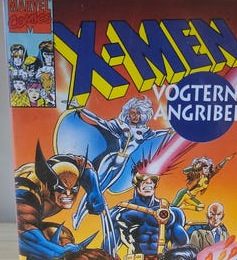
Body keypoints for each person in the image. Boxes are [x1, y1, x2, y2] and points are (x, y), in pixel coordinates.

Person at [72, 96, 172, 229]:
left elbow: (156, 133)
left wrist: (169, 130)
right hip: (111, 158)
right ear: (127, 114)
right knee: (94, 187)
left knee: (101, 190)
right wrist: (82, 109)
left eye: (137, 113)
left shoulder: (145, 131)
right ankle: (78, 215)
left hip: (122, 162)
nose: (135, 116)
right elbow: (99, 120)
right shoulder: (120, 125)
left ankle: (80, 215)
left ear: (142, 114)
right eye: (132, 113)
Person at [15, 142, 104, 260]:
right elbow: (24, 232)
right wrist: (64, 254)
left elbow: (82, 164)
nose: (68, 194)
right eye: (61, 189)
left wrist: (94, 190)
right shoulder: (25, 194)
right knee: (52, 247)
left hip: (30, 226)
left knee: (61, 236)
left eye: (74, 189)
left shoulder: (65, 169)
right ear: (47, 185)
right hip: (13, 232)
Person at [110, 171, 188, 260]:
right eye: (144, 180)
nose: (148, 183)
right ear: (136, 182)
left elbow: (182, 245)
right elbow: (110, 245)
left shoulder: (172, 212)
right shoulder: (121, 212)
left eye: (152, 180)